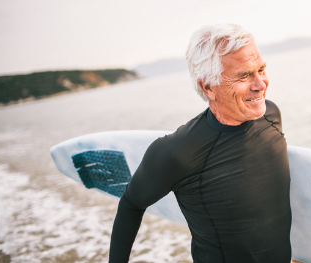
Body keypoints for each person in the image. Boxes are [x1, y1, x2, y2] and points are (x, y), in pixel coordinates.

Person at [109, 24, 292, 262]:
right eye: (244, 75)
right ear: (208, 86)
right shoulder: (177, 152)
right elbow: (131, 205)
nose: (261, 84)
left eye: (261, 69)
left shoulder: (271, 115)